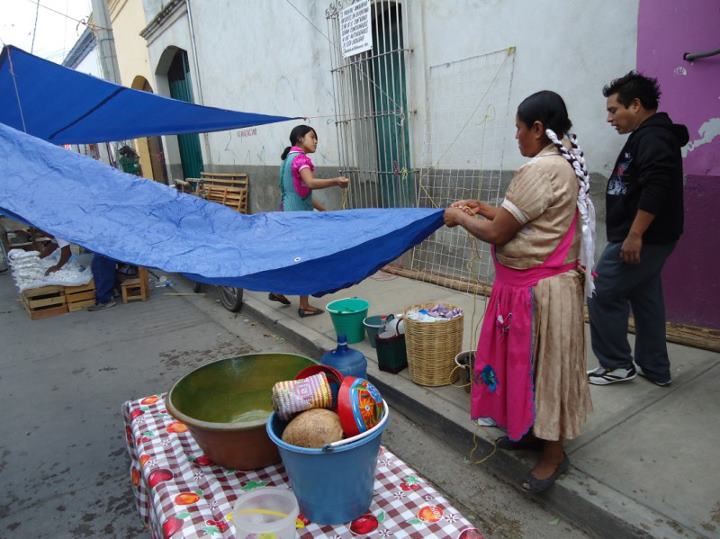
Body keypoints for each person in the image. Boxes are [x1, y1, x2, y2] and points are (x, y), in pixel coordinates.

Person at [443, 91, 594, 493]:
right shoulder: (560, 164)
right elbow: (528, 221)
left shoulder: (541, 170)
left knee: (546, 371)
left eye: (519, 128)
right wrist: (483, 207)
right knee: (526, 368)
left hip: (541, 293)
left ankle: (553, 455)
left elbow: (498, 233)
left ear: (538, 129)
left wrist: (458, 216)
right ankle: (530, 431)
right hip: (537, 289)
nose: (516, 136)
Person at [587, 72, 687, 387]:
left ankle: (616, 365)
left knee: (601, 290)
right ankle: (655, 367)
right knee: (645, 296)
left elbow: (657, 186)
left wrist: (635, 235)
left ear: (636, 105)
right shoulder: (647, 135)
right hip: (648, 237)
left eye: (613, 110)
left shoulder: (654, 137)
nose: (609, 118)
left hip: (643, 238)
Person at [268, 125, 349, 317]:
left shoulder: (287, 160)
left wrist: (324, 211)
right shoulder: (301, 159)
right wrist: (336, 181)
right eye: (312, 137)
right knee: (305, 259)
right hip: (300, 220)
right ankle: (304, 305)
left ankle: (277, 289)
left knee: (294, 257)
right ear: (299, 138)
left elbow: (302, 193)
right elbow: (310, 183)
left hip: (287, 215)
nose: (316, 141)